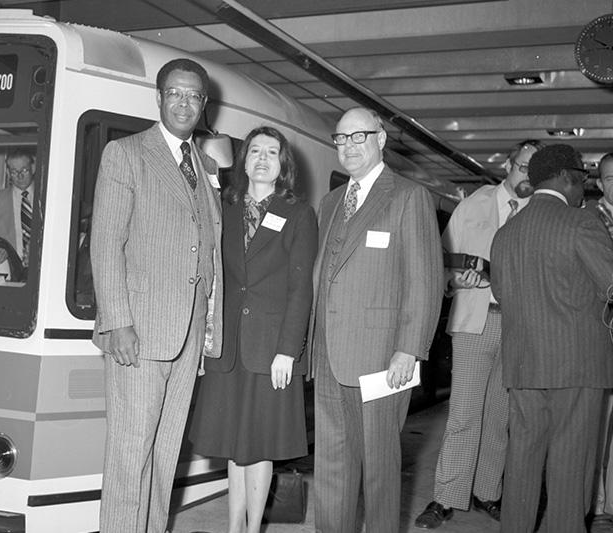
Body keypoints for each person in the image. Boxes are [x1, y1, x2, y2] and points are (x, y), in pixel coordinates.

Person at [90, 58, 223, 533]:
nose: (184, 103)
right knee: (130, 457)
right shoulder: (126, 154)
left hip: (186, 338)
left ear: (204, 104)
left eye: (193, 96)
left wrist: (208, 327)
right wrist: (118, 322)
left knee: (165, 456)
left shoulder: (203, 166)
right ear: (159, 97)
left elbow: (202, 244)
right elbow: (106, 243)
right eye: (175, 93)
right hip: (140, 334)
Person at [308, 106, 443, 533]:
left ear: (381, 139)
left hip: (382, 360)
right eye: (341, 139)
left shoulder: (408, 196)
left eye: (358, 136)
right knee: (331, 471)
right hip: (330, 355)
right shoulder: (330, 203)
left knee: (381, 472)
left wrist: (410, 349)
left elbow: (424, 281)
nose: (348, 146)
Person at [188, 126, 317, 533]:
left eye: (272, 152)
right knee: (233, 443)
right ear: (244, 161)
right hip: (228, 347)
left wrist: (288, 349)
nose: (262, 158)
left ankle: (253, 528)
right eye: (255, 151)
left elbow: (301, 287)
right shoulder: (224, 207)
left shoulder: (297, 213)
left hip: (269, 350)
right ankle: (232, 528)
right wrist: (205, 342)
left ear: (283, 165)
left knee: (258, 446)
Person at [414, 139, 544, 529]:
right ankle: (445, 496)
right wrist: (455, 278)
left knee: (500, 416)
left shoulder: (542, 211)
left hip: (521, 326)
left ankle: (488, 492)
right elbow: (438, 262)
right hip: (476, 320)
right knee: (464, 413)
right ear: (508, 163)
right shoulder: (473, 205)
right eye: (523, 167)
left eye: (534, 172)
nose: (527, 177)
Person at [490, 143, 613, 533]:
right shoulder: (581, 222)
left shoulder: (507, 232)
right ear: (566, 178)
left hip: (524, 366)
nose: (584, 191)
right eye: (582, 182)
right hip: (577, 367)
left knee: (522, 465)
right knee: (569, 468)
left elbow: (500, 293)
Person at [588, 151, 613, 533]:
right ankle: (599, 507)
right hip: (600, 338)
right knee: (598, 428)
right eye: (609, 177)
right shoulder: (586, 220)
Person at [0, 148, 36, 269]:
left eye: (24, 170)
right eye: (14, 172)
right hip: (10, 270)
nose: (20, 176)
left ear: (33, 168)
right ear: (8, 173)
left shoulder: (49, 197)